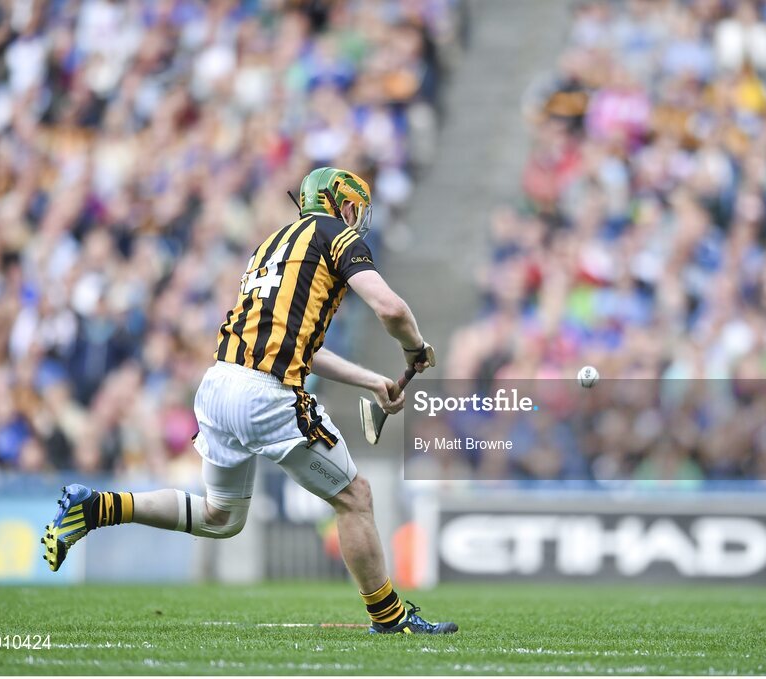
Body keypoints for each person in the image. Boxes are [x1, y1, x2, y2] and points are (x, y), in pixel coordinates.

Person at [41, 167, 457, 635]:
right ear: (339, 202)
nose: (356, 218)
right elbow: (391, 309)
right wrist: (414, 348)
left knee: (220, 517)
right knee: (356, 496)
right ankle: (390, 617)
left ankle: (96, 507)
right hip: (265, 394)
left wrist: (369, 380)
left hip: (218, 386)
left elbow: (299, 343)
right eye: (354, 207)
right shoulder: (335, 236)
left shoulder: (270, 245)